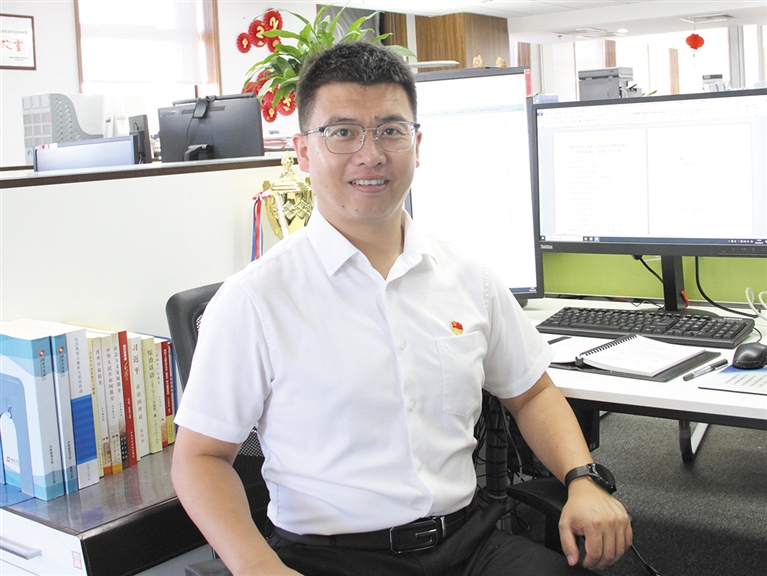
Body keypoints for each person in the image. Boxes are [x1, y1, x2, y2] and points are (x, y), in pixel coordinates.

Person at [172, 41, 632, 576]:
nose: (370, 154)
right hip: (331, 558)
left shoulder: (469, 277)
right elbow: (200, 458)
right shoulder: (254, 299)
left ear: (417, 144)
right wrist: (257, 567)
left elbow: (531, 393)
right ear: (303, 151)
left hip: (470, 543)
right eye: (342, 132)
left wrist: (582, 478)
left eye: (390, 130)